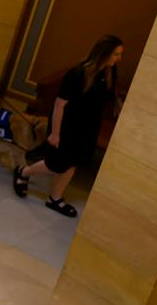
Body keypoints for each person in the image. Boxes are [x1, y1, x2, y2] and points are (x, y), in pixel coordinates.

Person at [13, 34, 122, 218]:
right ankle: (24, 171)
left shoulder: (110, 71)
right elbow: (59, 105)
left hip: (89, 127)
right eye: (116, 54)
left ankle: (55, 198)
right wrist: (55, 133)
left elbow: (107, 94)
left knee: (72, 163)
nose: (119, 58)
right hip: (67, 125)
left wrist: (117, 104)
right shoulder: (77, 73)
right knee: (56, 164)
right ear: (104, 53)